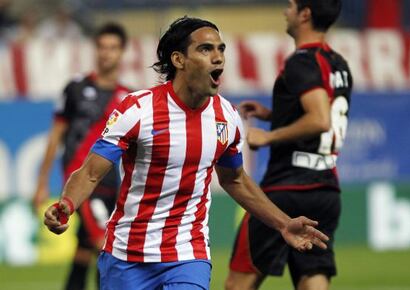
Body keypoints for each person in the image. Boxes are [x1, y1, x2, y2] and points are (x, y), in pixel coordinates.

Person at [43, 16, 329, 290]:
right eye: (205, 49)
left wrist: (283, 224)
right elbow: (91, 172)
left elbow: (235, 179)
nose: (218, 57)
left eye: (220, 49)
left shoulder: (226, 117)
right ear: (178, 60)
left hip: (187, 254)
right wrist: (67, 204)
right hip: (127, 255)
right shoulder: (138, 110)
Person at [225, 1, 353, 290]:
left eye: (292, 5)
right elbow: (326, 113)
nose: (286, 11)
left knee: (237, 284)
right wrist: (273, 115)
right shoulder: (339, 64)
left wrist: (267, 136)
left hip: (286, 189)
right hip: (326, 189)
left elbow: (320, 119)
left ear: (305, 14)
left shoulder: (302, 61)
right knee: (313, 277)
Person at [33, 23, 131, 290]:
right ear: (95, 50)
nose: (106, 54)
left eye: (112, 48)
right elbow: (56, 136)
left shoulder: (130, 97)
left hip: (111, 183)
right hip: (81, 180)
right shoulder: (75, 88)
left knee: (84, 249)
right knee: (104, 244)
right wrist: (42, 183)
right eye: (101, 47)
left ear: (122, 52)